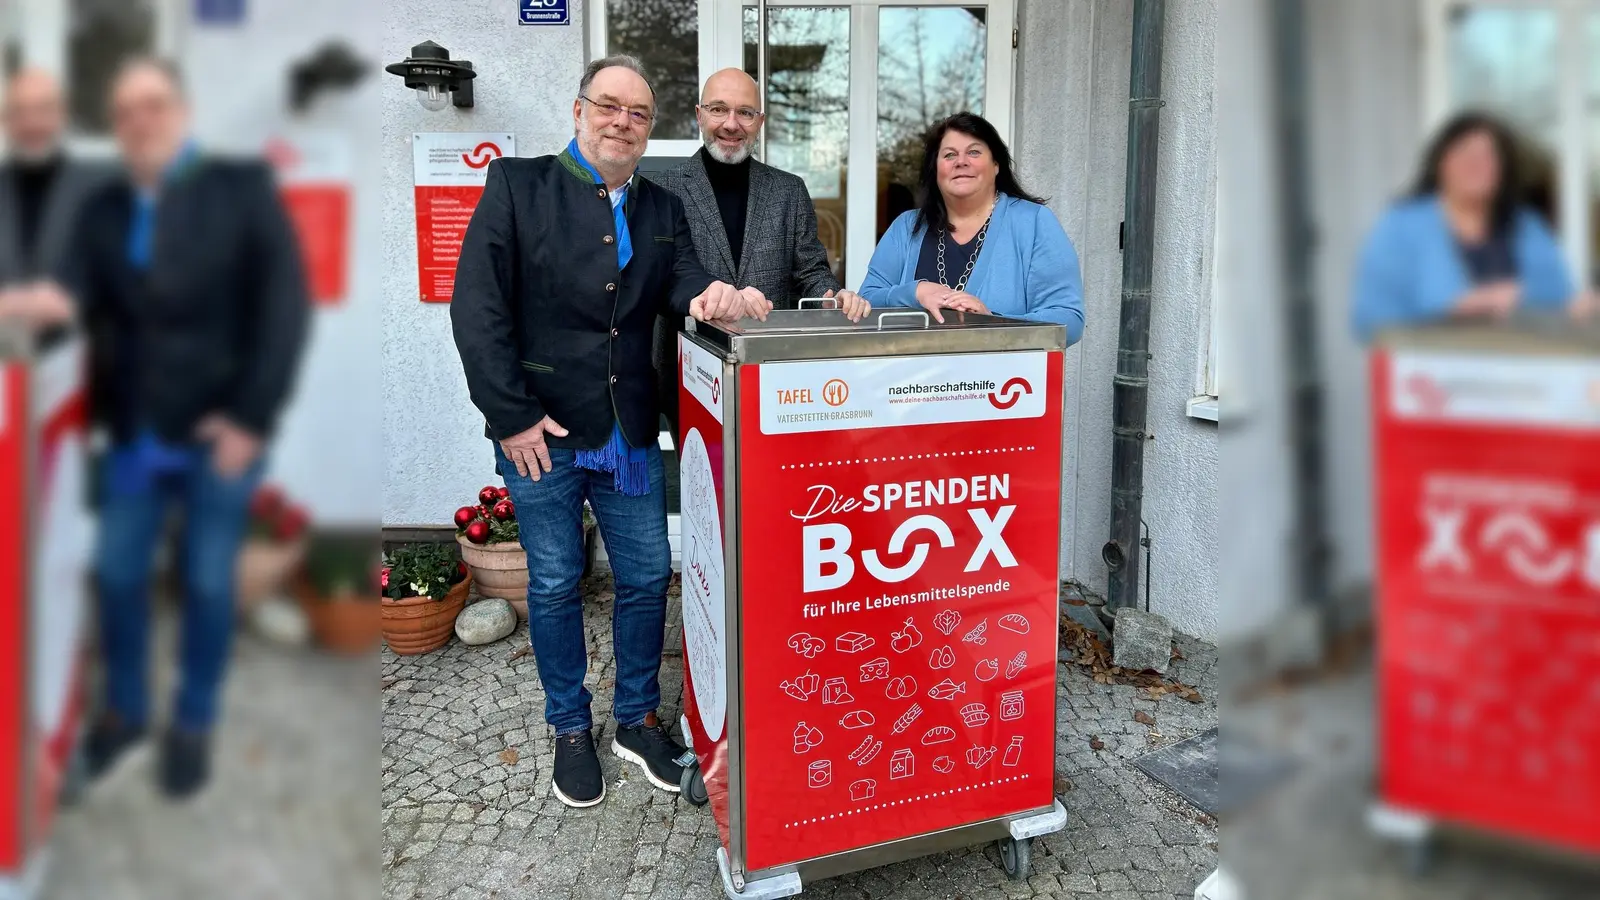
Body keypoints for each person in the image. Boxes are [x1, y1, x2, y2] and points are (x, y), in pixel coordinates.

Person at [451, 56, 764, 809]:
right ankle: (568, 726)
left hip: (627, 434)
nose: (623, 122)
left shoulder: (661, 208)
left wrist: (715, 295)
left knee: (648, 575)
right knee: (555, 583)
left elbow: (683, 282)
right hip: (541, 434)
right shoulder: (517, 186)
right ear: (578, 109)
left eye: (638, 113)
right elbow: (477, 310)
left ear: (650, 127)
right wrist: (512, 414)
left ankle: (634, 719)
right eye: (609, 106)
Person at [3, 58, 310, 799]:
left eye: (153, 105)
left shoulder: (240, 190)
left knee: (207, 583)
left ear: (181, 108)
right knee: (115, 575)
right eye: (125, 111)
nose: (140, 120)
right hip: (135, 431)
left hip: (221, 436)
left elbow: (284, 309)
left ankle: (195, 723)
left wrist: (250, 418)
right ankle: (127, 717)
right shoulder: (104, 207)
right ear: (116, 126)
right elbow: (69, 297)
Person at [653, 68, 867, 433]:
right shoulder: (661, 189)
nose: (731, 124)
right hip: (690, 373)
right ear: (699, 115)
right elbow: (658, 277)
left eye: (745, 112)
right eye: (718, 109)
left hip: (773, 378)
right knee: (699, 482)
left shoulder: (789, 190)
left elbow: (811, 271)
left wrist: (831, 297)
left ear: (760, 121)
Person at [857, 112, 1085, 344]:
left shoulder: (1034, 222)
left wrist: (992, 323)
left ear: (996, 164)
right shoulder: (906, 227)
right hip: (912, 379)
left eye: (974, 152)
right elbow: (866, 302)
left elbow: (1069, 321)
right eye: (949, 155)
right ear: (935, 169)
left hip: (998, 380)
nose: (961, 161)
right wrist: (915, 293)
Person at [1353, 112, 1578, 341]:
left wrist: (1513, 295)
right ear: (1440, 162)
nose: (1476, 164)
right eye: (1464, 153)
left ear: (1502, 169)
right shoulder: (1400, 227)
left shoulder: (1525, 225)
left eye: (1488, 156)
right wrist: (1451, 309)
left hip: (1523, 364)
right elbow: (1371, 320)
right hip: (1430, 370)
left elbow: (1561, 294)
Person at [0, 69, 111, 328]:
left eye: (43, 110)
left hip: (80, 348)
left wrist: (74, 302)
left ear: (62, 114)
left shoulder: (100, 188)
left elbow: (117, 274)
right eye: (19, 112)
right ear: (5, 120)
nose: (31, 123)